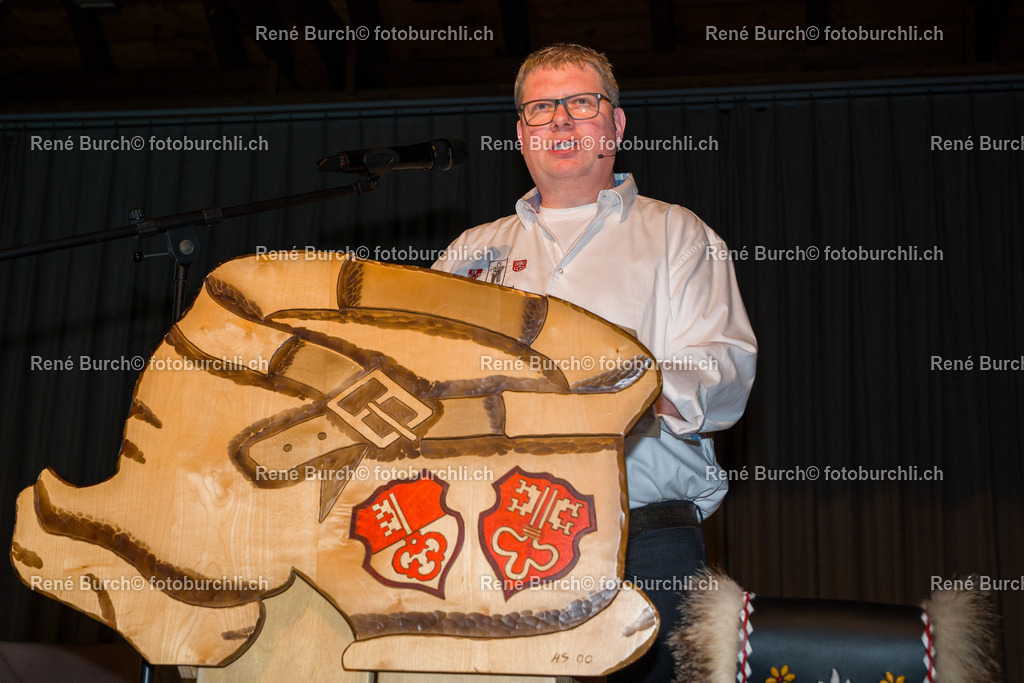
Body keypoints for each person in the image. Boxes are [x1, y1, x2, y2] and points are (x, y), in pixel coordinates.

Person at [433, 43, 757, 681]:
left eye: (581, 104)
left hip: (643, 541)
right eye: (542, 109)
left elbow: (724, 372)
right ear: (520, 133)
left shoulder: (677, 235)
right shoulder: (471, 253)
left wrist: (611, 391)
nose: (561, 122)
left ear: (616, 125)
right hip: (486, 542)